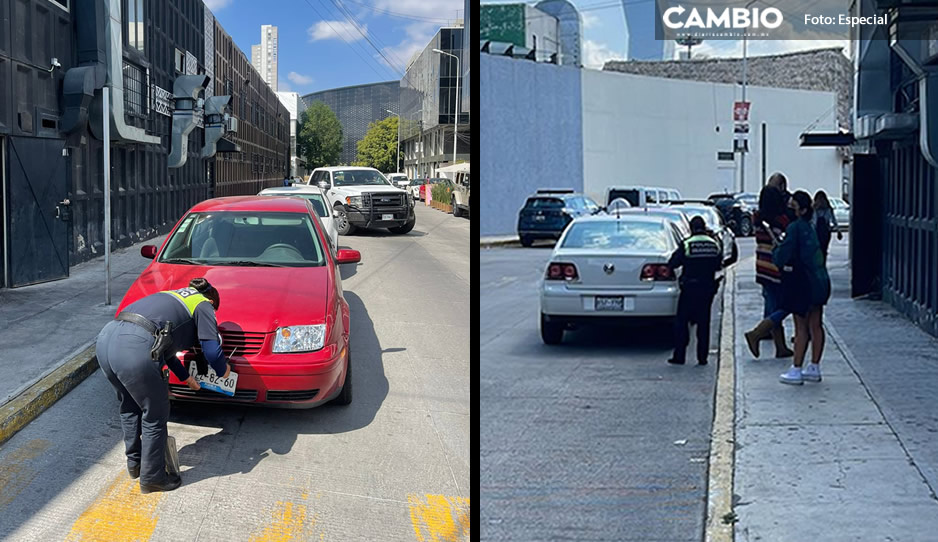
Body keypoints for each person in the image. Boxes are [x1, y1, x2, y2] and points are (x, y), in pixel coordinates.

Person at [95, 278, 230, 492]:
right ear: (212, 300)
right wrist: (224, 370)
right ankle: (153, 478)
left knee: (130, 406)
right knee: (155, 414)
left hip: (106, 340)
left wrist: (186, 378)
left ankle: (135, 464)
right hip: (134, 346)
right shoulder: (204, 304)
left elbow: (165, 349)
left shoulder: (172, 296)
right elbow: (212, 351)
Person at [773, 191, 832, 385]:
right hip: (820, 280)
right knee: (816, 324)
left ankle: (796, 368)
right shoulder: (813, 226)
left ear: (802, 210)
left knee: (800, 327)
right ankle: (814, 367)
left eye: (793, 206)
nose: (790, 209)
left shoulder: (794, 228)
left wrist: (776, 251)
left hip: (802, 283)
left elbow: (782, 256)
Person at [744, 178, 795, 358]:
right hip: (777, 266)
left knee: (773, 304)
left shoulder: (757, 217)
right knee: (790, 304)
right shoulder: (782, 219)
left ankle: (780, 347)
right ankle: (756, 333)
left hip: (762, 264)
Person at [667, 216, 724, 366]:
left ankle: (679, 356)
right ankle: (702, 357)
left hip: (689, 288)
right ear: (704, 227)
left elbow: (672, 263)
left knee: (682, 322)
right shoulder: (714, 244)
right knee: (703, 323)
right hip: (707, 289)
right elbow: (719, 265)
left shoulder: (686, 244)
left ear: (691, 228)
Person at [812, 190, 842, 262]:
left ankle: (821, 262)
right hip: (821, 231)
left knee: (821, 249)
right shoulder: (814, 209)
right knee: (821, 249)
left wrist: (838, 230)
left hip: (822, 232)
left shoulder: (827, 209)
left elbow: (833, 220)